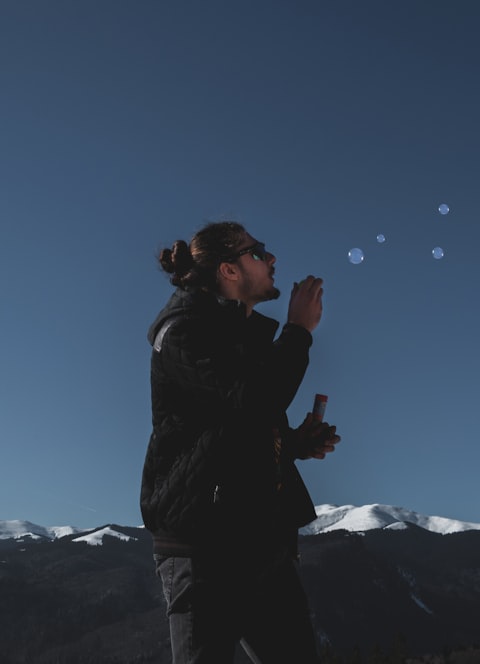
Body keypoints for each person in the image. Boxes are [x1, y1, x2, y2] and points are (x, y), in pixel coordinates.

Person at [141, 221, 340, 664]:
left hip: (260, 542)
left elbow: (229, 431)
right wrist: (299, 331)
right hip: (203, 548)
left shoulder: (235, 333)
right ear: (229, 271)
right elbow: (251, 400)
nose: (271, 260)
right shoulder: (183, 332)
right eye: (259, 251)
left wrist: (292, 444)